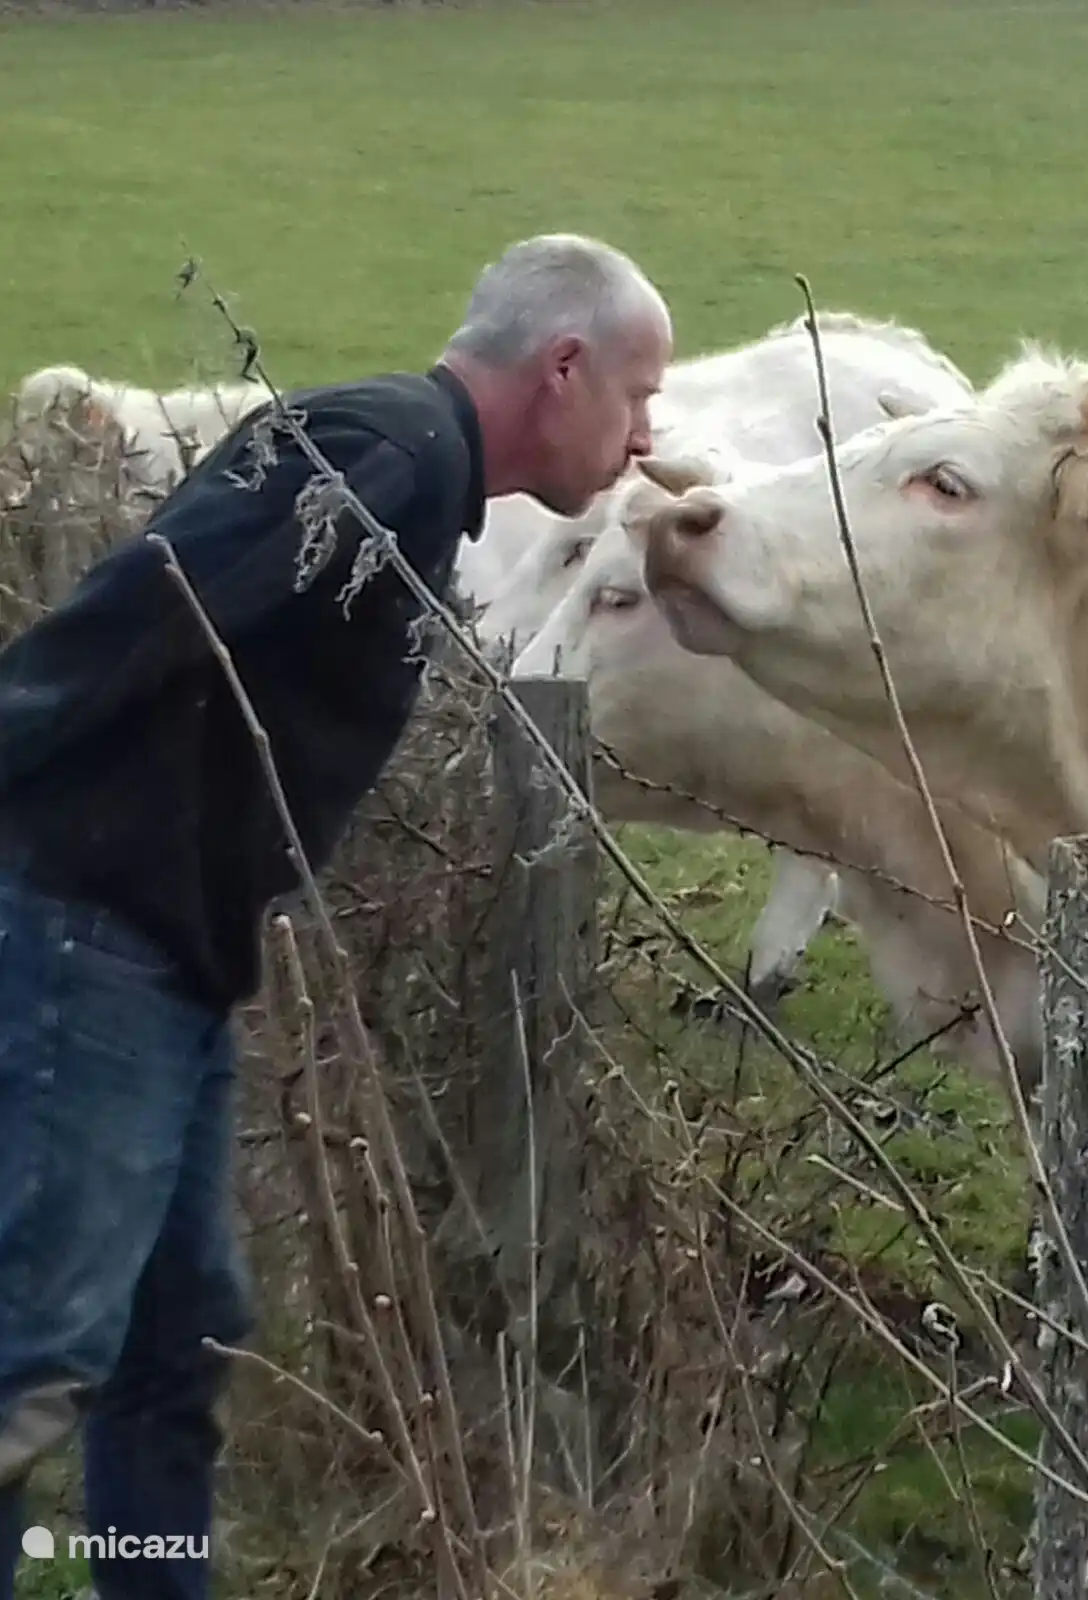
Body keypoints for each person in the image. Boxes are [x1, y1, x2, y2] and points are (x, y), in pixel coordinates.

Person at [0, 232, 672, 1600]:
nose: (646, 432)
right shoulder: (388, 451)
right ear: (562, 368)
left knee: (174, 1342)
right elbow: (149, 610)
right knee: (37, 1347)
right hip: (92, 929)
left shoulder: (415, 472)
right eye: (637, 393)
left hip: (175, 953)